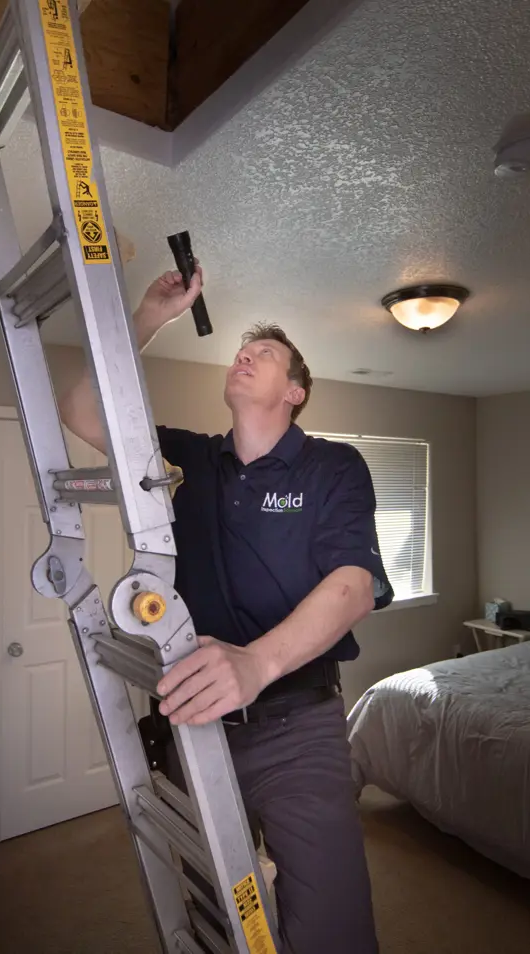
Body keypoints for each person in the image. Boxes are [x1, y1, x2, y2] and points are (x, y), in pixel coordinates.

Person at [59, 264, 394, 954]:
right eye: (243, 350)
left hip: (299, 728)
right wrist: (149, 314)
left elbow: (354, 585)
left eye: (265, 353)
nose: (246, 354)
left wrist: (255, 662)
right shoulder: (185, 460)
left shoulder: (332, 468)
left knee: (333, 927)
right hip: (198, 727)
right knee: (223, 913)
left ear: (295, 392)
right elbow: (82, 412)